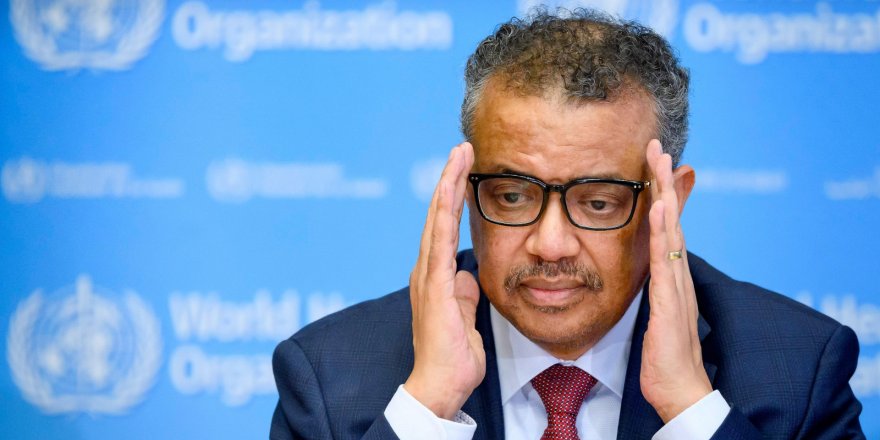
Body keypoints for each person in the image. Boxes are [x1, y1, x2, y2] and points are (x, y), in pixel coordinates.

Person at [270, 9, 865, 440]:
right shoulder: (330, 376)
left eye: (598, 203)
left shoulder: (797, 373)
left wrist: (690, 411)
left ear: (671, 200)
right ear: (465, 194)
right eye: (511, 195)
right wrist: (428, 410)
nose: (550, 244)